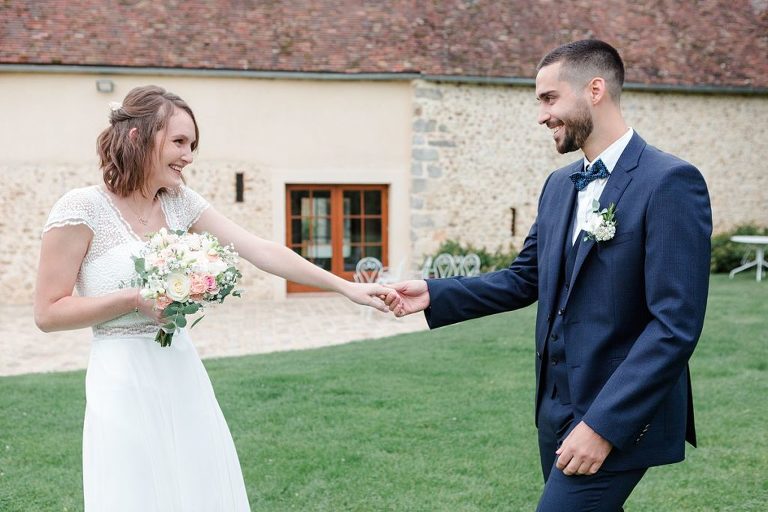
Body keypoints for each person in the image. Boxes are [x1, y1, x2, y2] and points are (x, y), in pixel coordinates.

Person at [385, 40, 712, 511]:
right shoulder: (560, 185)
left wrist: (603, 426)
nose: (542, 115)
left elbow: (674, 326)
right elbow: (526, 279)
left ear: (594, 90)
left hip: (618, 411)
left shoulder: (669, 182)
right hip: (556, 409)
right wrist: (433, 294)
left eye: (549, 98)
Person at [34, 85, 391, 511]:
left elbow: (259, 249)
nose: (188, 156)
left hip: (181, 368)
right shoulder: (82, 209)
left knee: (198, 486)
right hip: (121, 374)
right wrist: (135, 299)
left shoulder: (181, 203)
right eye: (179, 142)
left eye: (193, 145)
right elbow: (48, 312)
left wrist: (348, 287)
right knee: (134, 490)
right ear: (137, 137)